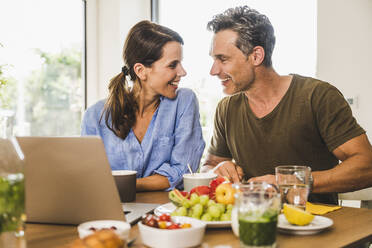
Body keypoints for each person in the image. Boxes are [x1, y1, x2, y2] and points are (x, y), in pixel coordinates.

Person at [200, 6, 372, 204]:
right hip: (252, 222)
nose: (213, 70)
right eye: (214, 59)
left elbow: (366, 166)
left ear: (256, 56)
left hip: (315, 225)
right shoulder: (226, 108)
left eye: (223, 59)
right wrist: (216, 171)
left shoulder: (318, 96)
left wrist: (293, 182)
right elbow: (211, 165)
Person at [81, 20, 205, 192]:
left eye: (180, 63)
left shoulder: (184, 101)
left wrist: (125, 184)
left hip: (164, 212)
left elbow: (183, 171)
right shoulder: (95, 115)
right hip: (113, 211)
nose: (182, 72)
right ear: (141, 71)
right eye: (172, 65)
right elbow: (90, 178)